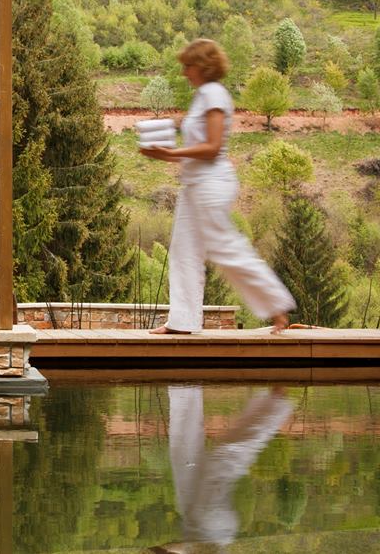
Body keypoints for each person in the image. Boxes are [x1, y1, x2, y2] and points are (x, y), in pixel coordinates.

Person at [139, 39, 295, 334]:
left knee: (224, 247)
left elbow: (212, 148)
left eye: (188, 65)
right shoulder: (202, 96)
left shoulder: (214, 94)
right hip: (194, 185)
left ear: (203, 66)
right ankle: (183, 322)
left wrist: (171, 155)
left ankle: (276, 305)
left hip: (210, 184)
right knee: (183, 251)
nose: (184, 72)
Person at [148, 385, 294, 554]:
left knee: (185, 450)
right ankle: (274, 402)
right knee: (225, 457)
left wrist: (164, 550)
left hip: (200, 524)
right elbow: (202, 549)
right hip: (211, 528)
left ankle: (184, 387)